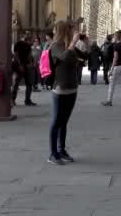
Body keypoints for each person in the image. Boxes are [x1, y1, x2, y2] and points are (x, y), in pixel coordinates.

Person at [47, 20, 89, 165]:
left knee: (64, 122)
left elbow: (85, 57)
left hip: (72, 88)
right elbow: (63, 58)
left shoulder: (69, 45)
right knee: (56, 122)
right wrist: (72, 43)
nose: (74, 32)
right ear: (65, 30)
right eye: (71, 29)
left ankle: (62, 150)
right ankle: (53, 154)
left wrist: (86, 42)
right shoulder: (55, 46)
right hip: (60, 89)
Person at [11, 35, 35, 106]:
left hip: (25, 65)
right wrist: (20, 65)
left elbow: (29, 55)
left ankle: (27, 100)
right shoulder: (18, 44)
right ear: (27, 40)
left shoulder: (28, 46)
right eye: (31, 41)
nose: (32, 42)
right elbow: (16, 54)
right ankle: (12, 99)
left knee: (28, 83)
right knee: (16, 82)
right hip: (18, 65)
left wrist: (31, 63)